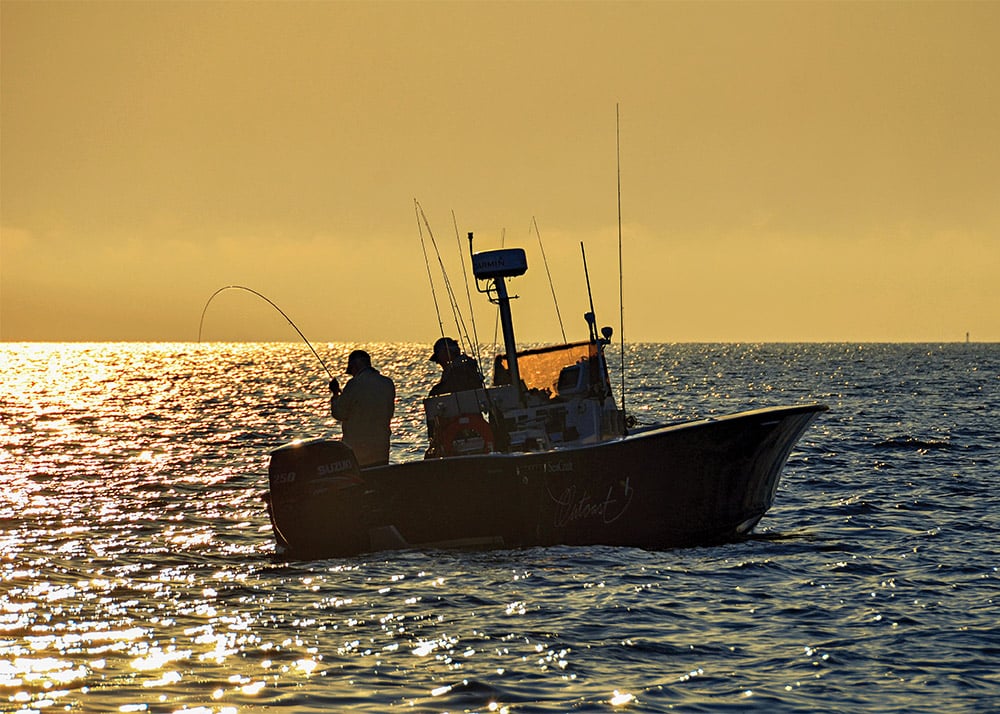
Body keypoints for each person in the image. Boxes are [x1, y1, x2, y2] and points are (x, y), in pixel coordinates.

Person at [329, 350, 395, 467]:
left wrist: (335, 395)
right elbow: (388, 412)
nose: (352, 373)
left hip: (358, 452)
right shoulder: (388, 383)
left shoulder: (353, 384)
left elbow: (339, 413)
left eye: (352, 370)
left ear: (355, 366)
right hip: (381, 449)